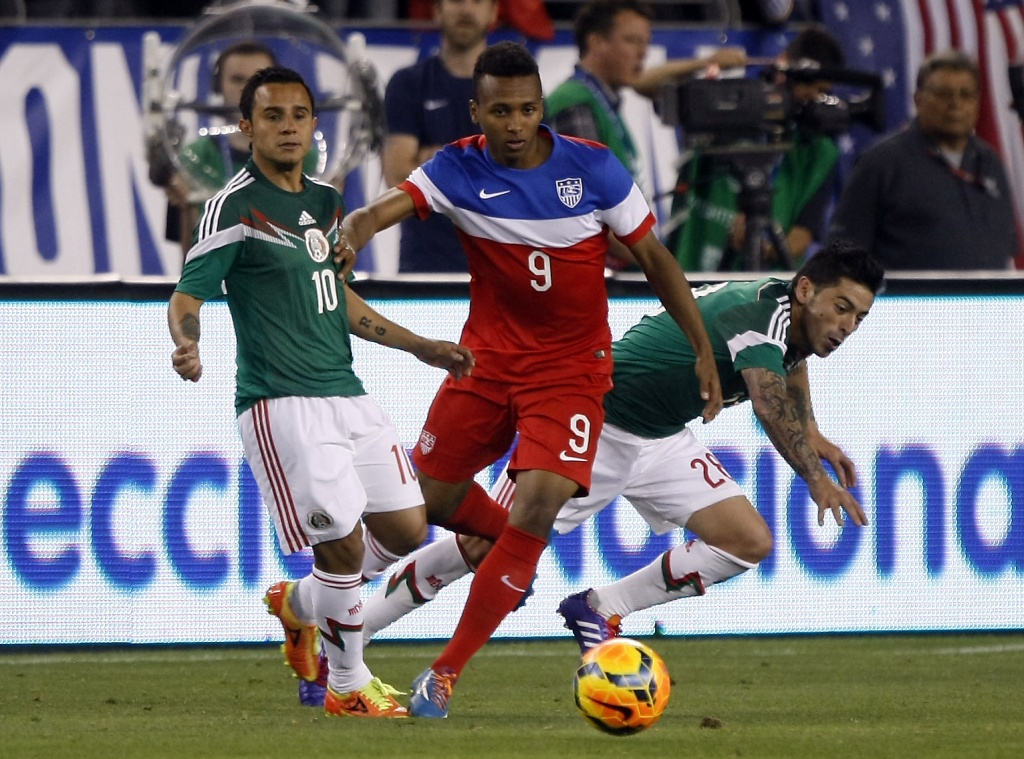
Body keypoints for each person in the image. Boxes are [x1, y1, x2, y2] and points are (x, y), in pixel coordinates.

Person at [333, 41, 723, 718]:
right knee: (432, 499)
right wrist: (352, 233)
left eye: (527, 108)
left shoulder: (594, 169)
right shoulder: (456, 165)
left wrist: (701, 348)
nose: (515, 123)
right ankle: (515, 551)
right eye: (501, 111)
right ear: (477, 110)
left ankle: (445, 672)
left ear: (542, 107)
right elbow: (381, 209)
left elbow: (656, 259)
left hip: (570, 373)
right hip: (483, 363)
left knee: (536, 504)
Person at [355, 240, 883, 655]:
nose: (847, 326)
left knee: (746, 542)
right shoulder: (759, 313)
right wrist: (815, 477)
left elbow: (791, 361)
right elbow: (768, 403)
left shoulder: (785, 314)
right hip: (596, 423)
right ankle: (352, 626)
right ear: (808, 289)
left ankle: (599, 608)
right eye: (842, 308)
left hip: (660, 435)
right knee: (480, 547)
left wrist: (810, 429)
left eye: (859, 317)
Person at [167, 66, 474, 718]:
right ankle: (347, 684)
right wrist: (188, 340)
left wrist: (419, 344)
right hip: (281, 403)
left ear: (314, 123)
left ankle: (300, 606)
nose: (287, 127)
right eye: (272, 116)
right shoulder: (235, 204)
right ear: (246, 127)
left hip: (348, 393)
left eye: (299, 115)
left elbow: (338, 300)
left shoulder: (325, 202)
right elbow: (188, 292)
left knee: (405, 525)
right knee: (340, 543)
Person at [544, 0, 747, 270]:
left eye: (645, 42)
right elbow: (587, 209)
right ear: (596, 42)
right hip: (599, 276)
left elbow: (646, 82)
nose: (643, 53)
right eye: (631, 41)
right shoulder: (576, 102)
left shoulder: (601, 103)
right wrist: (655, 263)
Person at [669, 25, 847, 272]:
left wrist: (763, 249)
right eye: (813, 88)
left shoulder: (820, 152)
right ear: (784, 67)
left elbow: (803, 236)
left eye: (825, 93)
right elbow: (645, 85)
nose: (816, 99)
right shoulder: (727, 106)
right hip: (699, 270)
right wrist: (706, 62)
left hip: (770, 289)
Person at [827, 49, 1018, 271]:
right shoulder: (881, 162)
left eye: (966, 94)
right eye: (943, 94)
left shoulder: (990, 162)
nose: (955, 104)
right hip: (906, 304)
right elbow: (843, 252)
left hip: (987, 304)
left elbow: (1005, 245)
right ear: (918, 99)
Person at [149, 41, 319, 258]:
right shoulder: (193, 158)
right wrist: (186, 206)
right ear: (218, 86)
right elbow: (189, 261)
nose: (247, 90)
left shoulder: (309, 158)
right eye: (237, 79)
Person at [383, 0, 498, 273]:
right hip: (425, 271)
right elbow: (399, 178)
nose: (466, 10)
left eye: (477, 1)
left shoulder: (513, 89)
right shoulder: (408, 84)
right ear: (436, 10)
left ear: (493, 12)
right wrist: (486, 164)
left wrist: (434, 159)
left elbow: (526, 181)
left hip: (499, 271)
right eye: (457, 0)